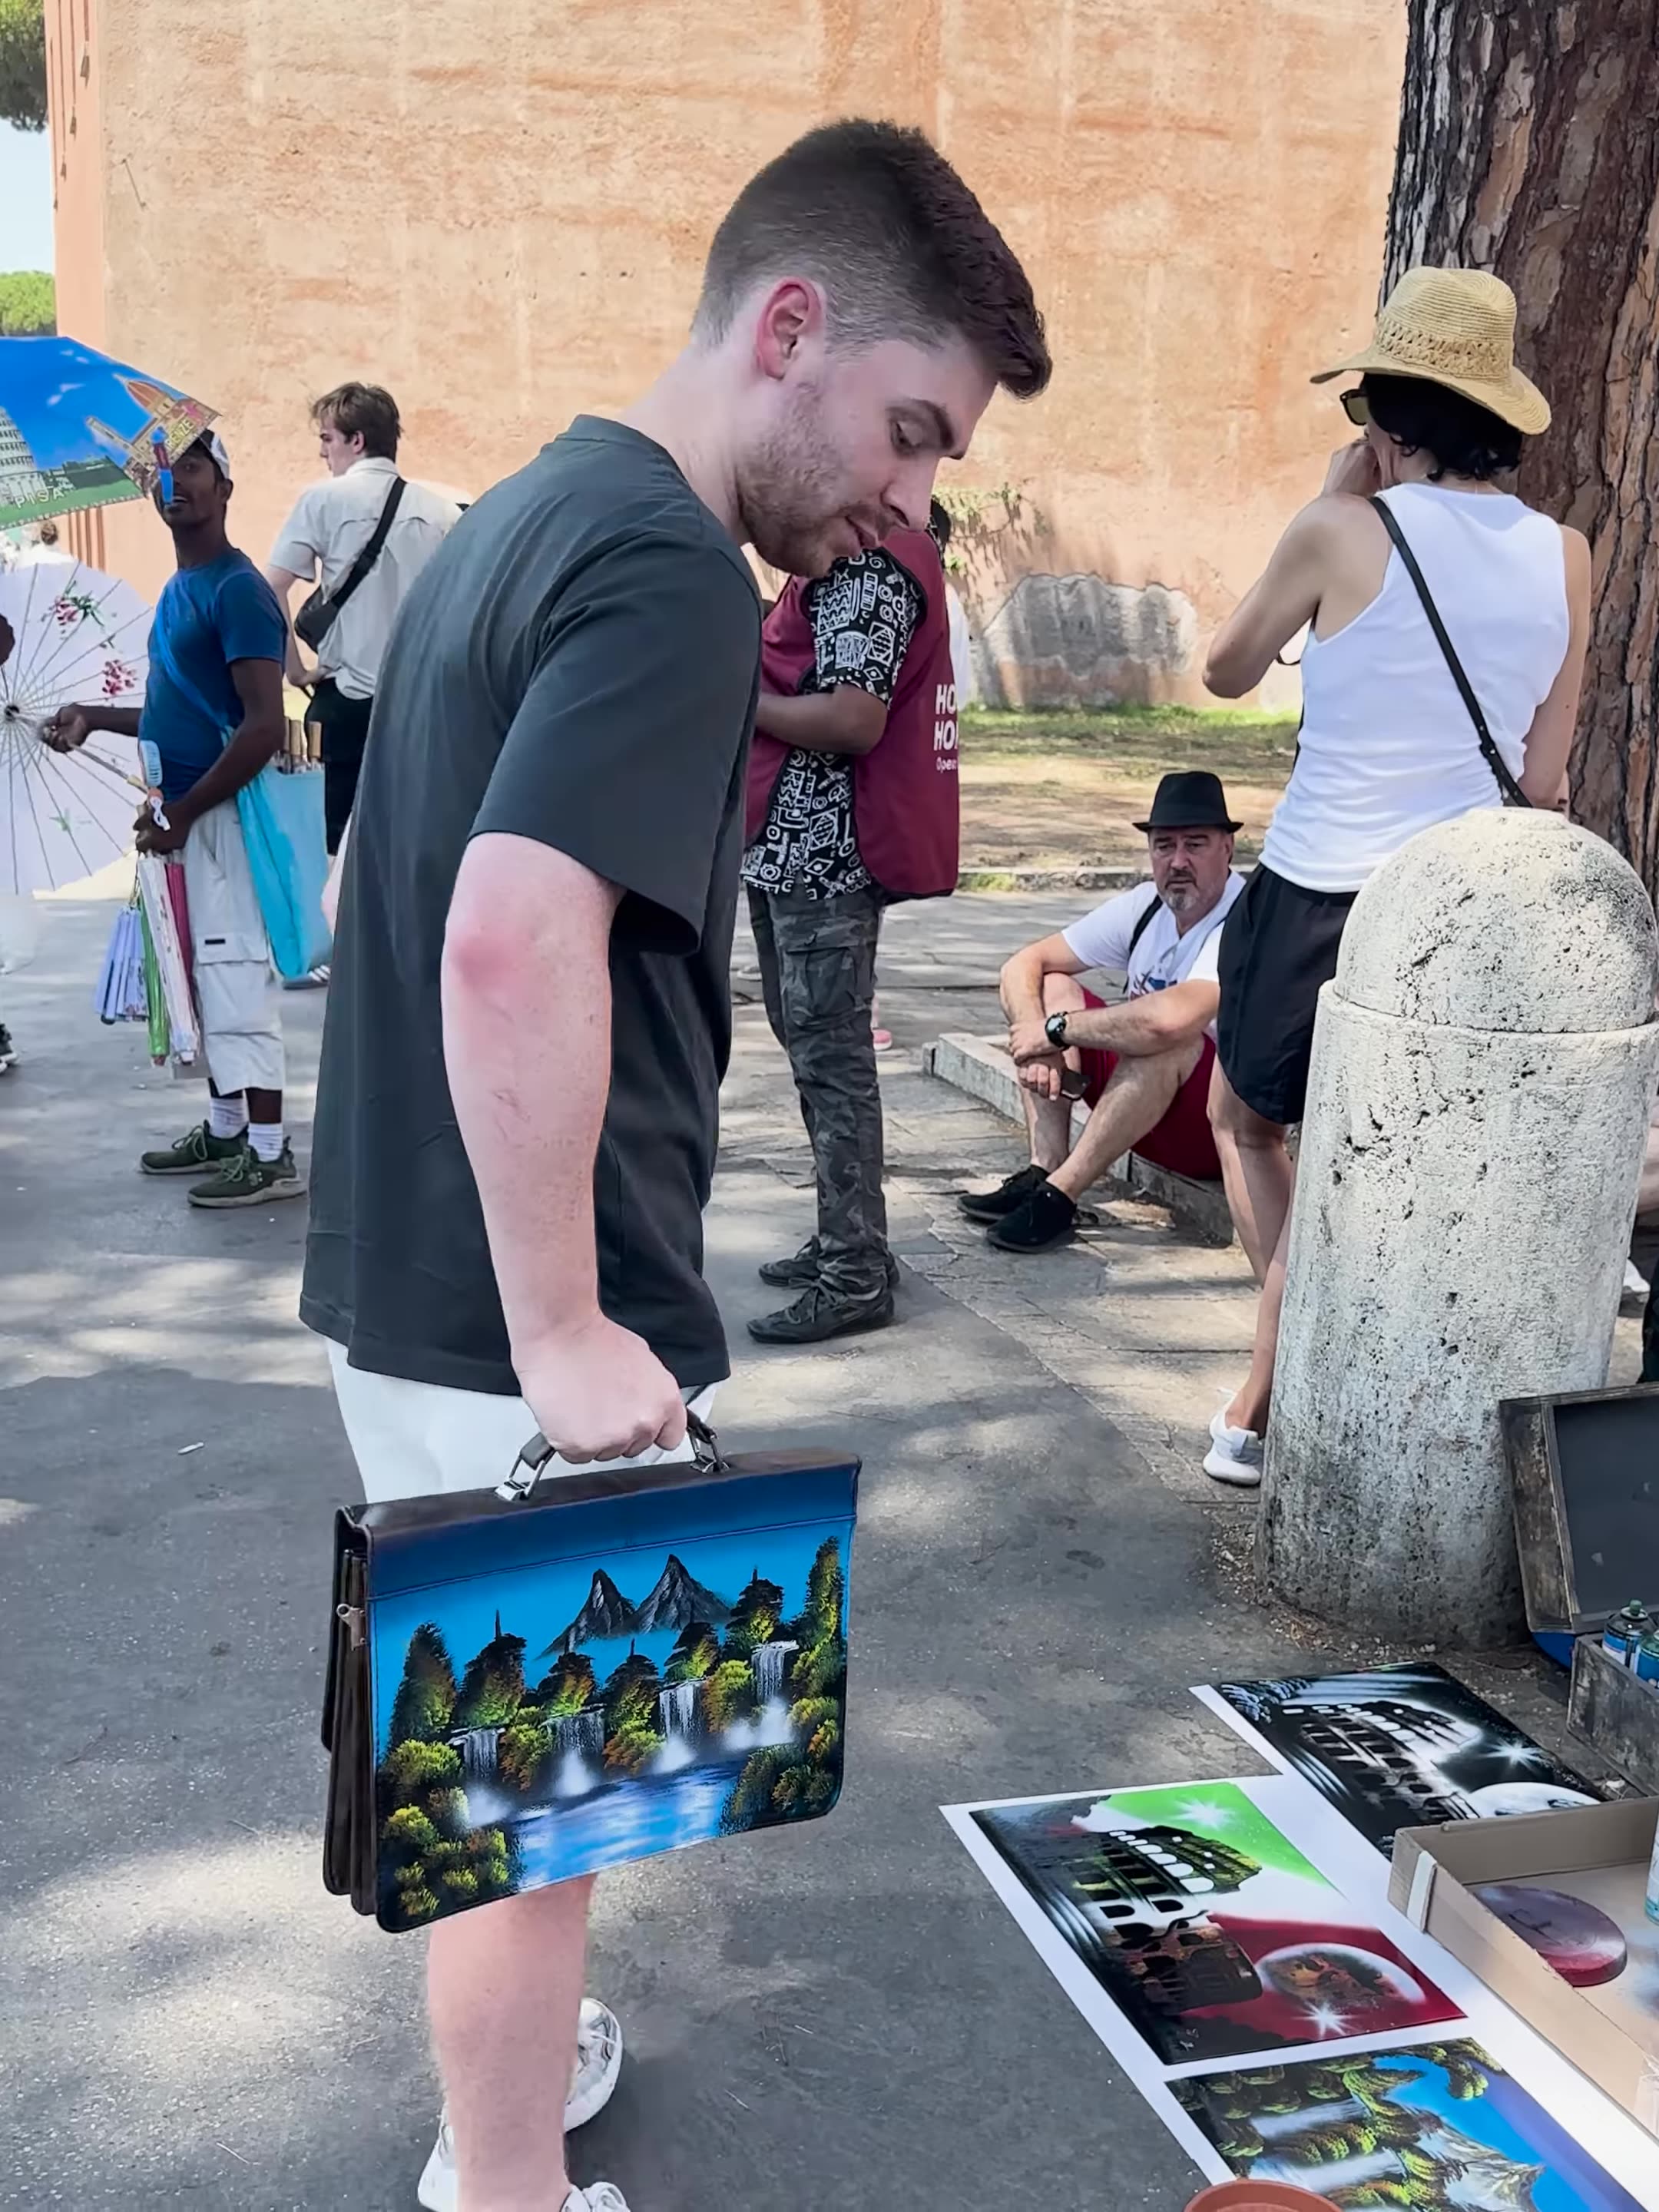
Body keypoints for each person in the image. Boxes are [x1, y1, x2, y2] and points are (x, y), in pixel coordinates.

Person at [300, 118, 1048, 2212]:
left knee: (523, 1791)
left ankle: (517, 2100)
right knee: (531, 1820)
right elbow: (504, 928)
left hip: (417, 1262)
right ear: (788, 329)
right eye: (911, 433)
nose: (912, 501)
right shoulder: (664, 570)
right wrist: (562, 1325)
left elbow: (387, 867)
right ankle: (508, 2186)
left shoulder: (527, 510)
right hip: (510, 1302)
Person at [1200, 266, 1591, 1485]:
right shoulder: (1569, 554)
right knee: (1396, 1168)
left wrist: (1324, 506)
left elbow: (1222, 668)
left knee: (1248, 1122)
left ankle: (1272, 1380)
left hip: (1320, 887)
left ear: (1384, 416)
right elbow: (1549, 774)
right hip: (1465, 907)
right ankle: (1315, 1388)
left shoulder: (1341, 526)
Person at [45, 434, 301, 1205]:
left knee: (234, 977)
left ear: (224, 488)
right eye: (164, 471)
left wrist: (187, 812)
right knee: (201, 977)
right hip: (182, 820)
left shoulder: (237, 590)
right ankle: (225, 1130)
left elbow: (263, 726)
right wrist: (94, 715)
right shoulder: (179, 590)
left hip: (220, 820)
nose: (173, 482)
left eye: (191, 467)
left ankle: (269, 1152)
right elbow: (171, 710)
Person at [743, 492, 965, 1342]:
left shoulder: (870, 567)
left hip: (825, 856)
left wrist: (734, 700)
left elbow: (852, 718)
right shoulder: (842, 565)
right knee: (812, 1054)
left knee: (832, 1065)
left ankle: (855, 1273)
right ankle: (849, 1239)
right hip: (791, 850)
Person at [961, 770, 1244, 1253]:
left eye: (1195, 845)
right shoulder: (1146, 907)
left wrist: (1057, 1033)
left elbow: (1170, 1019)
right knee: (1053, 986)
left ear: (1228, 849)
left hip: (1211, 1131)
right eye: (1164, 846)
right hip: (1136, 1108)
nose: (1178, 861)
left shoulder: (1245, 917)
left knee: (1169, 1036)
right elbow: (1022, 965)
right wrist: (1037, 1033)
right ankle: (1043, 1170)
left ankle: (1060, 1197)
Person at [264, 382, 459, 857]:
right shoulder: (443, 512)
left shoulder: (323, 501)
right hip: (419, 702)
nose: (322, 452)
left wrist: (293, 670)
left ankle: (338, 934)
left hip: (342, 698)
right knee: (408, 844)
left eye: (328, 438)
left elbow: (271, 587)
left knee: (330, 849)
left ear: (357, 440)